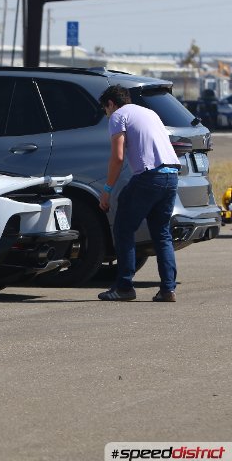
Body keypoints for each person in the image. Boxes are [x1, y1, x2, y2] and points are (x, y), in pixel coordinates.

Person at [97, 85, 181, 302]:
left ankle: (124, 286)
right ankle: (168, 289)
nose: (107, 115)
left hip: (148, 177)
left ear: (110, 104)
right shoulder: (150, 112)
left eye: (105, 110)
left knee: (124, 228)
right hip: (171, 174)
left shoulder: (118, 116)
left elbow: (117, 157)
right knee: (162, 234)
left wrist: (107, 190)